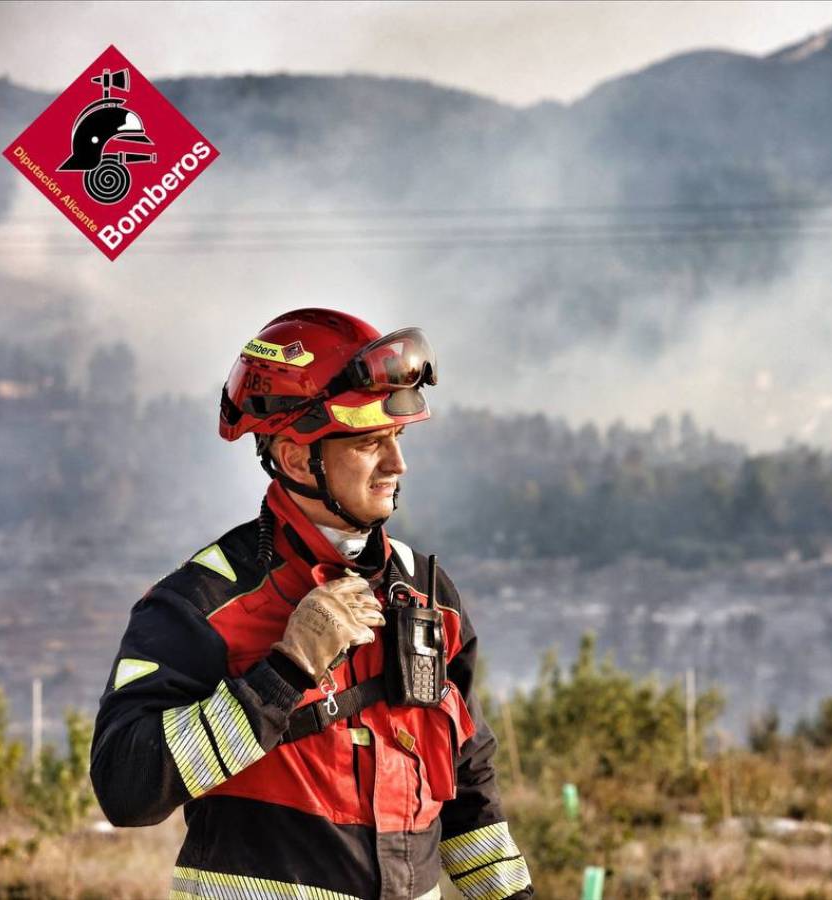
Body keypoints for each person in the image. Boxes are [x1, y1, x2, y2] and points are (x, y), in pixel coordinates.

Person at [90, 308, 533, 900]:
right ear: (299, 458)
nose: (397, 465)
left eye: (397, 438)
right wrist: (284, 672)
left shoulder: (429, 596)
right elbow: (125, 790)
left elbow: (469, 781)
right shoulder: (200, 604)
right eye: (370, 442)